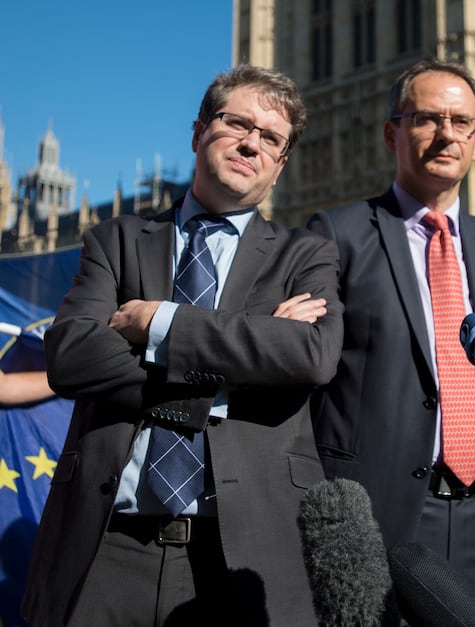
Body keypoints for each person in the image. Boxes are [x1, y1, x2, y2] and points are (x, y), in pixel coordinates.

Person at [22, 64, 344, 626]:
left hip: (242, 553)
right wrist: (245, 355)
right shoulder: (116, 239)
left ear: (282, 162)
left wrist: (160, 325)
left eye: (271, 137)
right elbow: (69, 358)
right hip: (107, 546)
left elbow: (310, 356)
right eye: (237, 123)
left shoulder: (307, 254)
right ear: (198, 132)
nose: (251, 143)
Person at [307, 59, 475, 625]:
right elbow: (309, 371)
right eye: (429, 119)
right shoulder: (338, 234)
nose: (447, 135)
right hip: (376, 512)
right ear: (393, 132)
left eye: (462, 122)